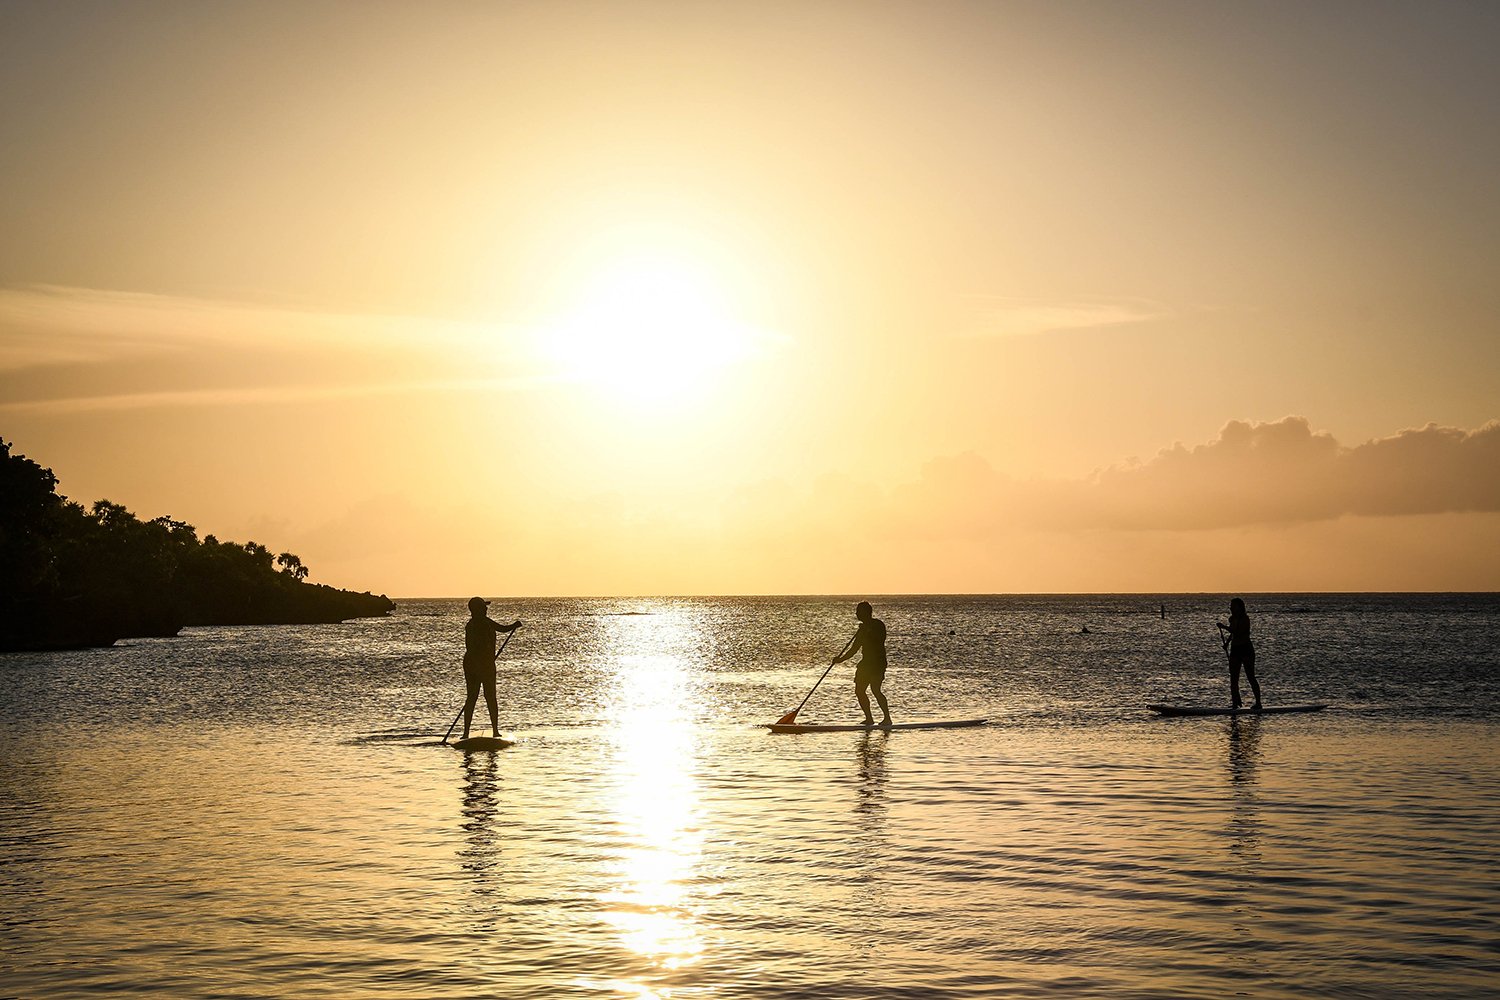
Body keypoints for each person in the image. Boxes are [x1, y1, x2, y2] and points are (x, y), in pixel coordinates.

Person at [462, 596, 521, 740]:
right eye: (484, 607)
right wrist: (514, 625)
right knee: (480, 697)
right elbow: (501, 629)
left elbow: (502, 629)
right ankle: (469, 732)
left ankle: (492, 731)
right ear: (477, 610)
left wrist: (514, 626)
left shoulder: (476, 624)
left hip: (479, 663)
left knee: (479, 697)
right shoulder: (476, 625)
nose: (486, 609)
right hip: (478, 665)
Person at [832, 601, 891, 727]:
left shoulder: (878, 625)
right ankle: (869, 718)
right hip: (865, 663)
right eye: (856, 611)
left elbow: (880, 639)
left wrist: (867, 631)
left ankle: (887, 718)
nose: (857, 614)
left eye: (859, 612)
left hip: (878, 662)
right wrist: (840, 659)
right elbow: (854, 649)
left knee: (875, 689)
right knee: (859, 691)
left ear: (867, 613)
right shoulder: (861, 630)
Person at [1217, 597, 1261, 711]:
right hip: (1235, 650)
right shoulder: (1232, 619)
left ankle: (1258, 703)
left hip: (1246, 649)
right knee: (1233, 678)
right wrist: (1227, 643)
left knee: (1250, 676)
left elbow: (1237, 631)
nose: (1230, 607)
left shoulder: (1245, 619)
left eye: (1233, 605)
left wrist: (1224, 627)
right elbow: (1233, 634)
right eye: (1230, 605)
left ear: (1239, 607)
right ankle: (1235, 703)